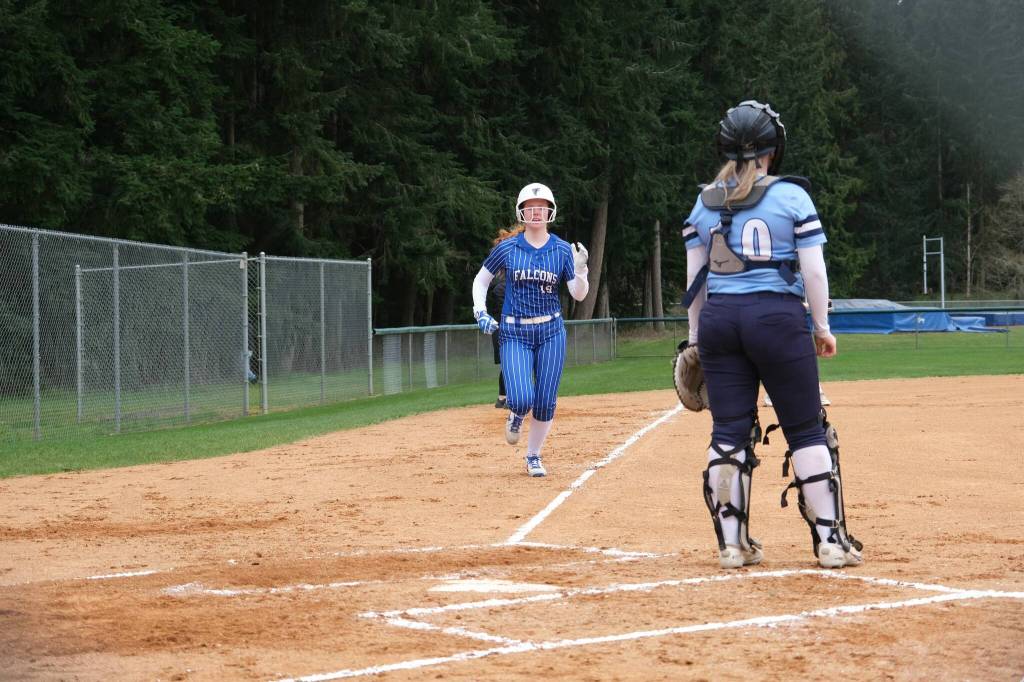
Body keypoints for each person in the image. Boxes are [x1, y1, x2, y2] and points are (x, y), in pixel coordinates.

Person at [680, 100, 862, 569]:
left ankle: (732, 546)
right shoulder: (792, 197)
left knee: (728, 432)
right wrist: (821, 328)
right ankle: (829, 542)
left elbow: (694, 283)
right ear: (773, 149)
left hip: (721, 320)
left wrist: (696, 339)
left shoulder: (704, 202)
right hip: (777, 319)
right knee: (805, 429)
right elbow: (814, 272)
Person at [471, 183, 590, 477]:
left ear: (550, 211)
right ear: (522, 211)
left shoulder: (562, 249)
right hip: (514, 332)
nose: (536, 211)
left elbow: (578, 294)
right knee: (522, 398)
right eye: (530, 206)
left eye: (542, 206)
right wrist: (480, 312)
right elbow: (481, 280)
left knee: (546, 399)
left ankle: (533, 456)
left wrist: (581, 270)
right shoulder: (508, 248)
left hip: (551, 331)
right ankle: (516, 415)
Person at [488, 271, 508, 409]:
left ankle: (503, 398)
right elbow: (504, 311)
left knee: (508, 364)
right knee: (508, 364)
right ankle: (504, 397)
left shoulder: (502, 287)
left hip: (506, 329)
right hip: (502, 329)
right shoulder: (500, 288)